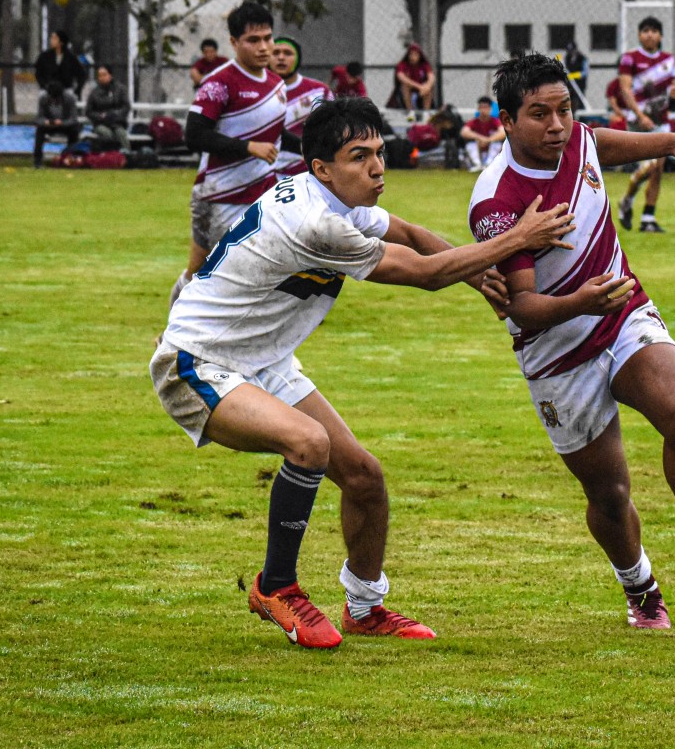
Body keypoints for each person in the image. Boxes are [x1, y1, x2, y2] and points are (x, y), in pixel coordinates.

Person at [150, 95, 576, 649]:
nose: (377, 168)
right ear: (322, 168)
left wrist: (479, 278)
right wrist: (517, 239)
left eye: (379, 152)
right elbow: (424, 273)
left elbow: (413, 235)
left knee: (364, 478)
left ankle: (365, 607)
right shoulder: (315, 222)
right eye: (359, 156)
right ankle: (275, 587)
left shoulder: (337, 200)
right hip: (197, 360)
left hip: (261, 359)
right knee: (309, 443)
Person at [466, 53, 675, 630]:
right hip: (556, 350)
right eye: (539, 114)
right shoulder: (497, 201)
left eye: (564, 109)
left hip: (621, 312)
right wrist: (580, 302)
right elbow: (520, 306)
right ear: (506, 121)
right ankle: (640, 589)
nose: (558, 125)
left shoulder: (577, 139)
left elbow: (600, 145)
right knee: (609, 493)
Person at [170, 2, 300, 307]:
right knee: (204, 274)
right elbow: (194, 135)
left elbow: (275, 134)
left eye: (267, 38)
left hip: (261, 194)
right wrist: (248, 147)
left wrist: (314, 150)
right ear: (234, 42)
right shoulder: (220, 82)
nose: (264, 47)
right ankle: (175, 329)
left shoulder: (276, 84)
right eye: (253, 40)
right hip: (219, 196)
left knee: (255, 272)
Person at [615, 16, 675, 234]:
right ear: (639, 35)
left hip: (660, 122)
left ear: (660, 36)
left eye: (654, 31)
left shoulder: (669, 60)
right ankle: (627, 200)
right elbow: (625, 89)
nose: (649, 35)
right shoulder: (630, 58)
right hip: (637, 123)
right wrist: (640, 114)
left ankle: (648, 217)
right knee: (648, 167)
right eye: (645, 30)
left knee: (657, 168)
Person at [270, 36, 333, 176]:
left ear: (298, 58)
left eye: (287, 53)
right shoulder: (257, 92)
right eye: (275, 53)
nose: (281, 58)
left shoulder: (319, 91)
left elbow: (332, 131)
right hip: (264, 172)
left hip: (305, 171)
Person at [33, 81, 80, 168]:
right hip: (49, 125)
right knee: (39, 130)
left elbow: (73, 119)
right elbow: (38, 118)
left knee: (74, 130)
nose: (54, 100)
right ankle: (37, 161)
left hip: (65, 125)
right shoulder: (44, 99)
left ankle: (70, 158)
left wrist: (62, 122)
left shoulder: (69, 99)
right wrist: (45, 122)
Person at [85, 64, 131, 151]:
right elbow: (88, 111)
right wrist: (100, 116)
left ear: (110, 75)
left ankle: (126, 155)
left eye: (104, 74)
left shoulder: (120, 89)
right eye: (99, 75)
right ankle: (110, 155)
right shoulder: (94, 93)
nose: (101, 77)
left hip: (117, 122)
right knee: (106, 134)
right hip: (101, 123)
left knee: (121, 134)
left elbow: (126, 107)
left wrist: (115, 114)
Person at [459, 95, 506, 171]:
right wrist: (480, 138)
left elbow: (503, 133)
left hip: (490, 152)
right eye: (481, 107)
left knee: (497, 144)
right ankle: (477, 164)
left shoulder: (495, 121)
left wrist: (488, 140)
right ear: (478, 108)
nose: (483, 110)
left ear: (490, 108)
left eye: (486, 107)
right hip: (479, 151)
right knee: (470, 145)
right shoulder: (474, 122)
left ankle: (489, 164)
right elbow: (464, 132)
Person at [34, 30, 86, 96]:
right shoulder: (44, 56)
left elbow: (81, 74)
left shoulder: (70, 57)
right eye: (51, 38)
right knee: (42, 97)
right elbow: (38, 73)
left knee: (70, 98)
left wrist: (77, 89)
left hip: (66, 89)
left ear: (61, 42)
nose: (51, 40)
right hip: (48, 89)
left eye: (55, 38)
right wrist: (44, 85)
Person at [391, 43, 435, 111]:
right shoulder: (402, 65)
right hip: (409, 91)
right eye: (411, 54)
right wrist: (419, 87)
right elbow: (401, 77)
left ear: (419, 56)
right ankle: (410, 111)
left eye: (415, 54)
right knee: (405, 86)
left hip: (421, 91)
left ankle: (426, 112)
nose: (413, 57)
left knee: (428, 89)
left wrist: (427, 86)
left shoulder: (424, 65)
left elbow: (431, 77)